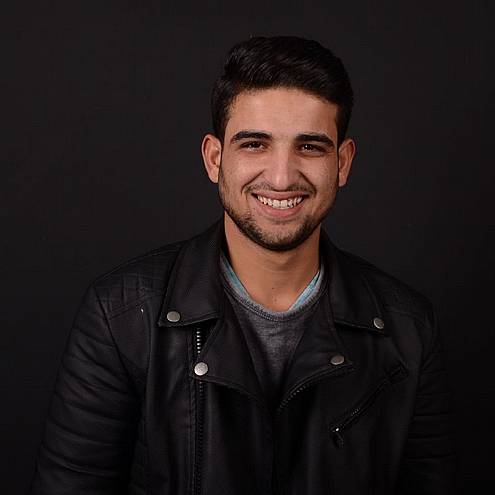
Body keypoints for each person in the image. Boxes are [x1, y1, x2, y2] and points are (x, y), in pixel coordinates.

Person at [29, 35, 457, 494]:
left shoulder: (409, 330)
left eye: (310, 147)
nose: (281, 177)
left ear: (343, 163)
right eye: (255, 144)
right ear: (215, 159)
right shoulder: (119, 315)